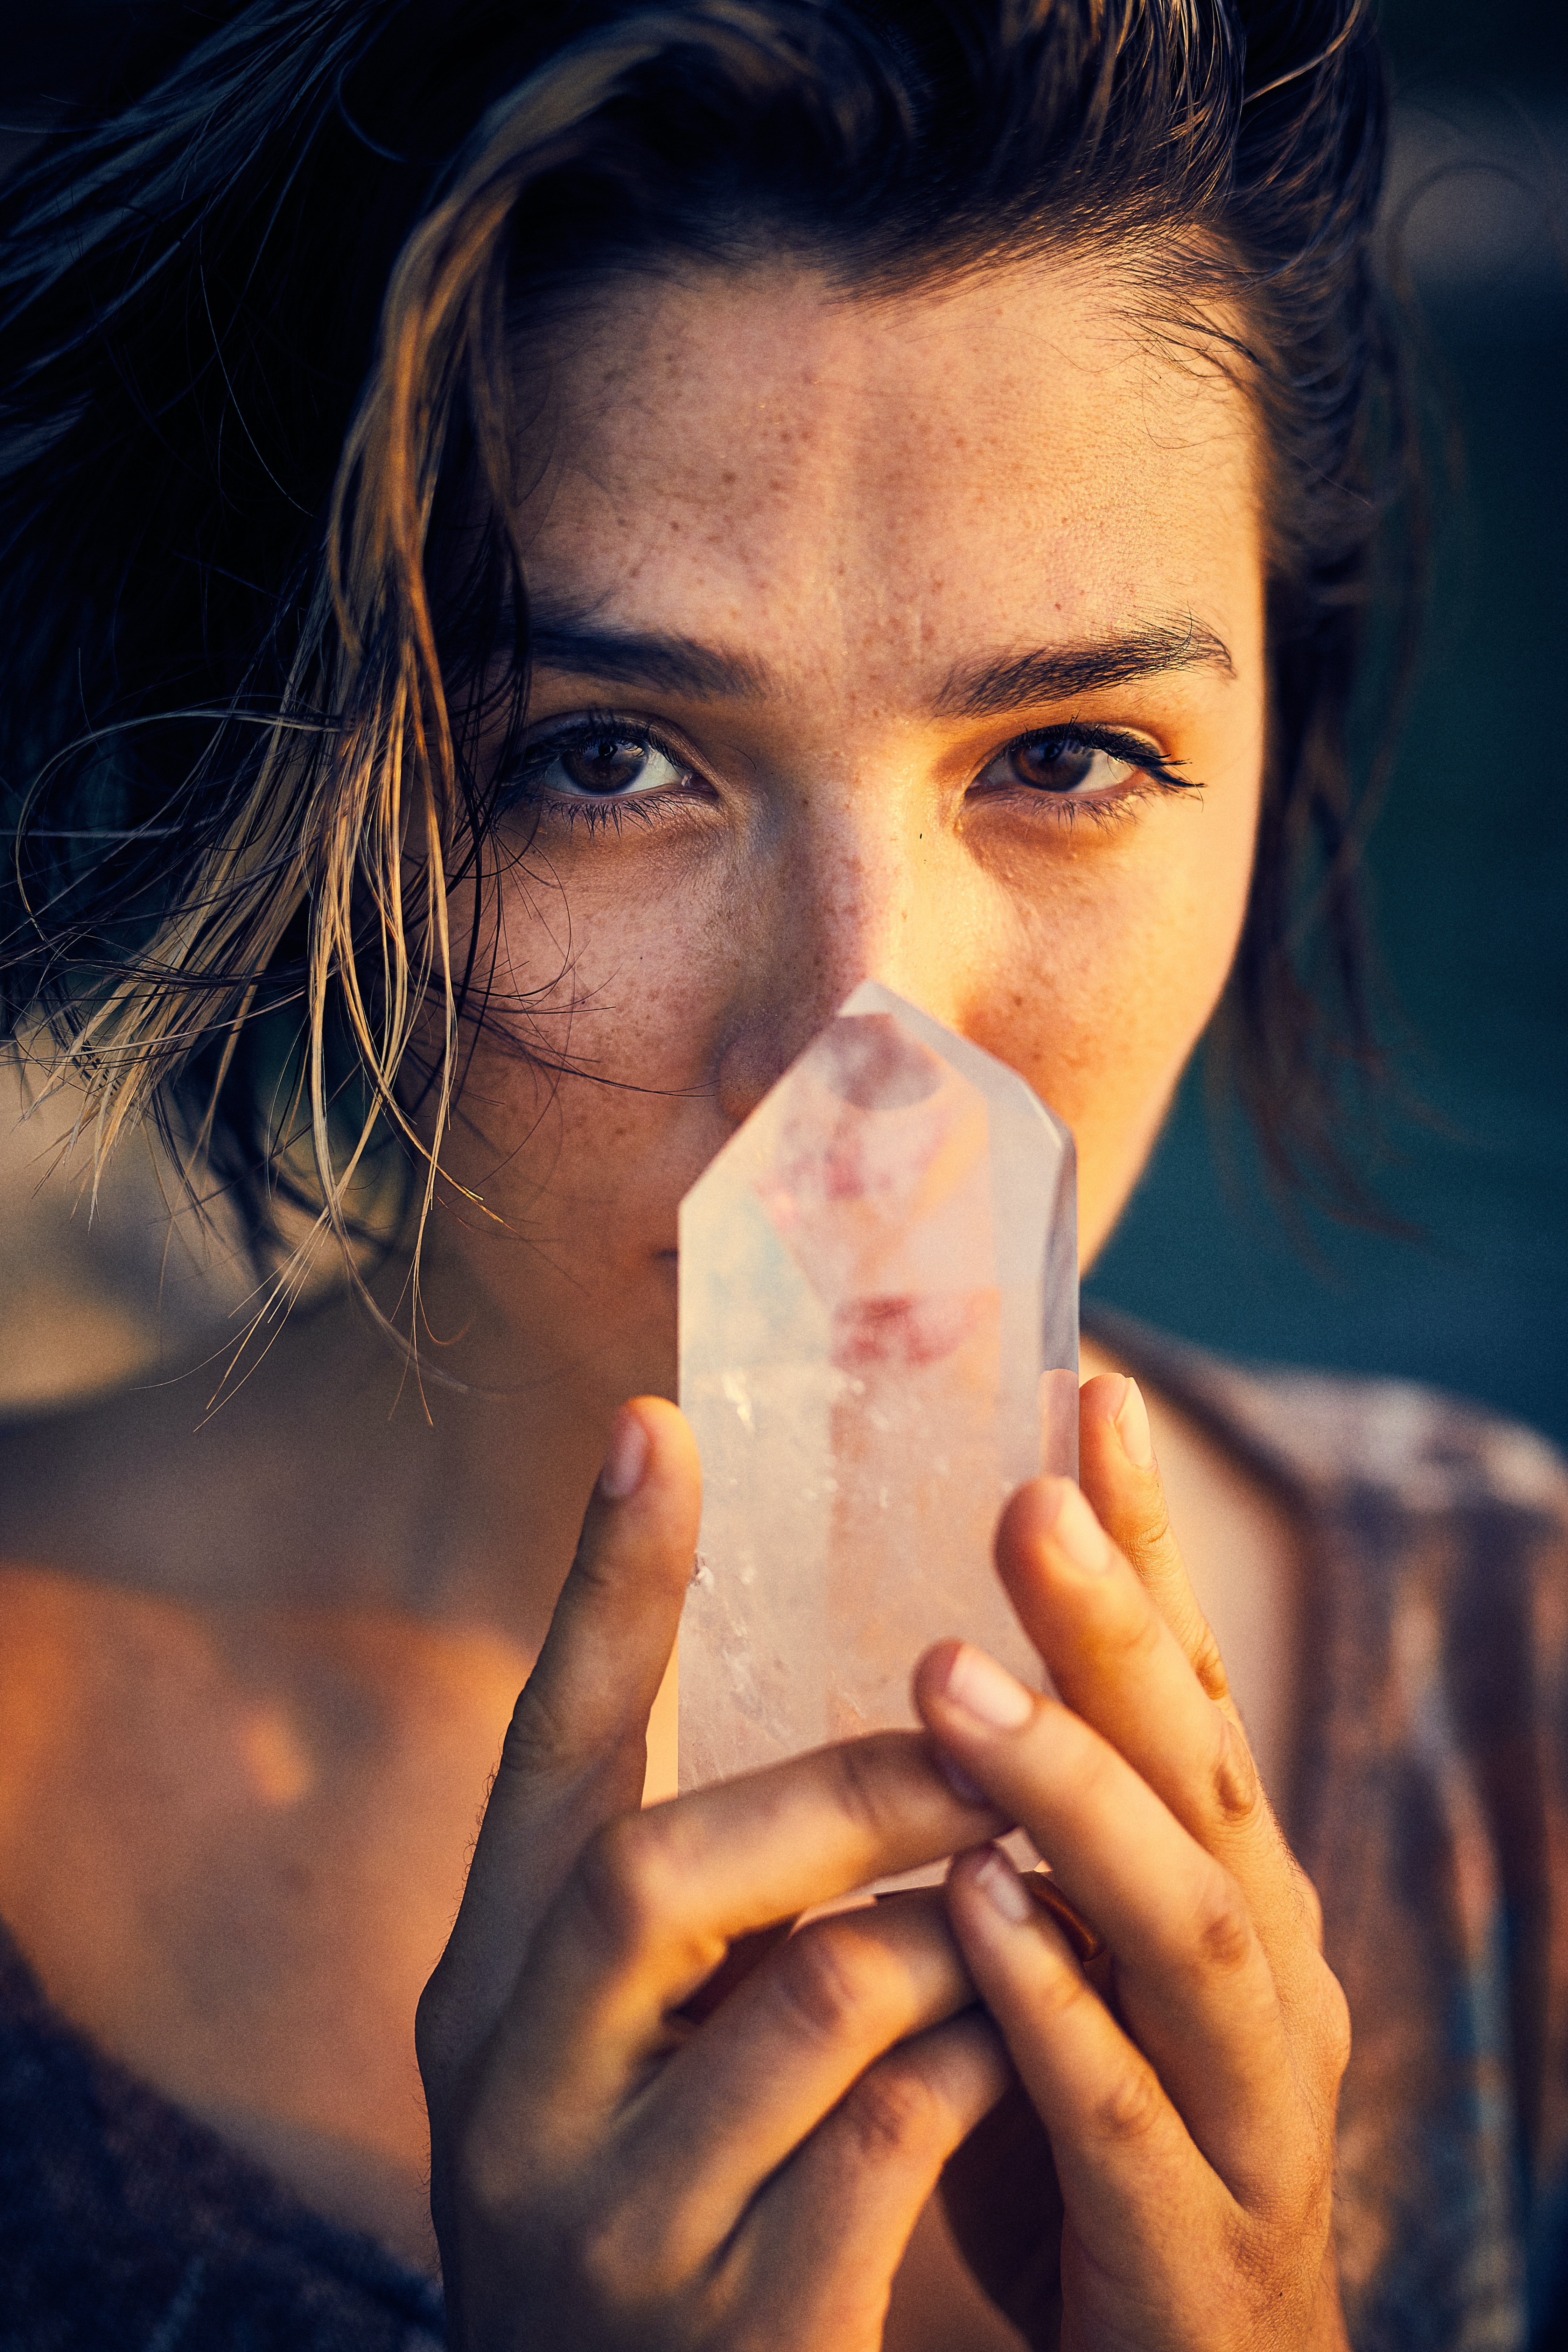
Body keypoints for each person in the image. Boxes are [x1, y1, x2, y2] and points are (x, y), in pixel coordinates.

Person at [0, 0, 1564, 2345]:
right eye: (605, 757)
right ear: (293, 783)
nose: (866, 1032)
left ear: (1281, 749)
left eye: (1069, 750)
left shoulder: (1516, 1723)